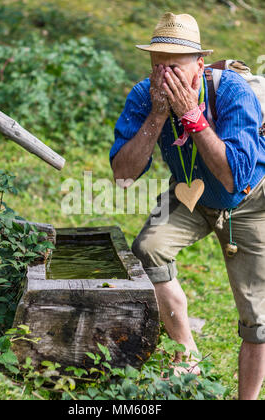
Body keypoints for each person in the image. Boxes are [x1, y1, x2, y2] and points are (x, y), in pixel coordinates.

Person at [109, 12, 265, 400]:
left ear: (199, 63)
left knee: (258, 320)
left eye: (174, 66)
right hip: (189, 195)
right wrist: (159, 115)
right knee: (148, 248)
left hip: (250, 201)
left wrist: (193, 117)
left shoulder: (231, 93)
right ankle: (187, 353)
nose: (165, 75)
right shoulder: (145, 96)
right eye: (157, 65)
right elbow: (123, 175)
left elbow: (234, 178)